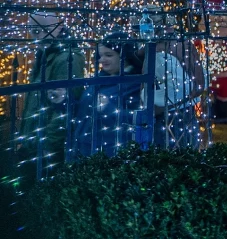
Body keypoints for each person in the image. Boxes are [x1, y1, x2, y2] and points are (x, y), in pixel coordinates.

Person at [21, 12, 85, 177]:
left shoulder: (66, 57)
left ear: (60, 28)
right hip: (34, 141)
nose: (39, 36)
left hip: (46, 147)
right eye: (34, 31)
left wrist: (47, 145)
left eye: (43, 29)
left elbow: (64, 109)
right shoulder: (46, 53)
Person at [70, 33, 145, 158]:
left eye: (108, 55)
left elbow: (138, 120)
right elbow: (83, 109)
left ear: (124, 56)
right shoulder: (98, 79)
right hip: (84, 149)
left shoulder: (136, 84)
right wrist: (62, 102)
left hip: (110, 153)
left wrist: (108, 108)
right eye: (100, 55)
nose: (101, 60)